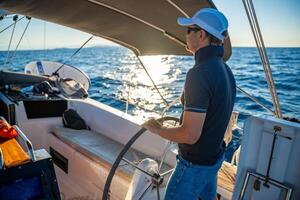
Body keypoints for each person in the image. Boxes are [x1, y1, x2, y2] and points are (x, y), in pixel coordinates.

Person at [142, 8, 236, 200]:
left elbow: (189, 135)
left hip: (194, 167)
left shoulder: (199, 73)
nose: (185, 35)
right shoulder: (226, 71)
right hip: (213, 161)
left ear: (201, 35)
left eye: (188, 30)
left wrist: (157, 128)